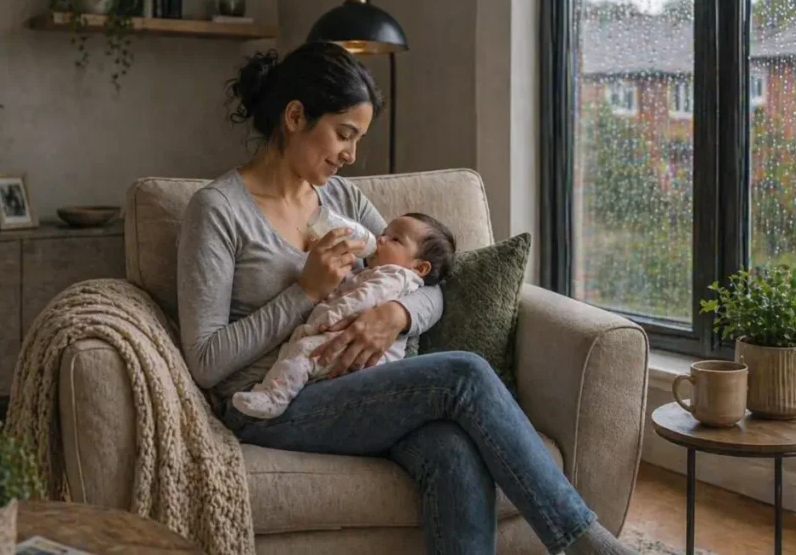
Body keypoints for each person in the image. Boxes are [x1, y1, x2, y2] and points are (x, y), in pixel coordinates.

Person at [176, 41, 635, 555]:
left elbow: (429, 280)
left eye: (357, 139)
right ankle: (588, 545)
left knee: (452, 448)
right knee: (462, 375)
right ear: (295, 116)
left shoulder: (340, 198)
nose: (350, 155)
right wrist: (305, 291)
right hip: (270, 403)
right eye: (344, 135)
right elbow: (205, 360)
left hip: (360, 386)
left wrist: (395, 314)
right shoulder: (218, 211)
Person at [232, 212, 457, 419]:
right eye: (383, 234)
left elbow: (360, 300)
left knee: (303, 353)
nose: (380, 239)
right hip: (351, 355)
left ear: (420, 268)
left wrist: (326, 322)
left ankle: (274, 398)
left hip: (353, 349)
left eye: (394, 240)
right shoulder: (376, 272)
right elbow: (347, 286)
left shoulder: (394, 276)